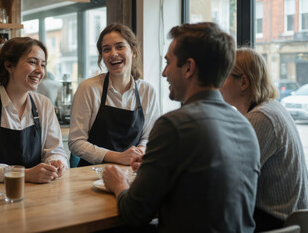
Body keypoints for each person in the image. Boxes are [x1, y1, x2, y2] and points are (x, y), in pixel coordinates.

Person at [102, 22, 261, 232]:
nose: (164, 73)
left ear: (188, 68)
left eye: (168, 63)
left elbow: (134, 213)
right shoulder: (245, 126)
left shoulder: (173, 125)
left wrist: (118, 183)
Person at [220, 47, 308, 231]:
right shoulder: (273, 108)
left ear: (243, 82)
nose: (218, 84)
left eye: (224, 75)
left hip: (279, 223)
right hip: (295, 219)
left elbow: (231, 178)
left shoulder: (260, 117)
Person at [0, 37, 68, 183]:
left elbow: (55, 150)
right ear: (9, 65)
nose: (40, 70)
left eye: (43, 65)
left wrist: (56, 162)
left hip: (39, 191)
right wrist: (25, 174)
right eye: (32, 62)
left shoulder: (43, 104)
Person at [68, 23, 160, 167]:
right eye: (106, 49)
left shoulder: (147, 91)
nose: (113, 53)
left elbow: (149, 137)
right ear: (102, 56)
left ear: (133, 51)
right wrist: (118, 157)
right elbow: (76, 142)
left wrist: (139, 152)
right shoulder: (88, 88)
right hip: (90, 174)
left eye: (120, 46)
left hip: (132, 169)